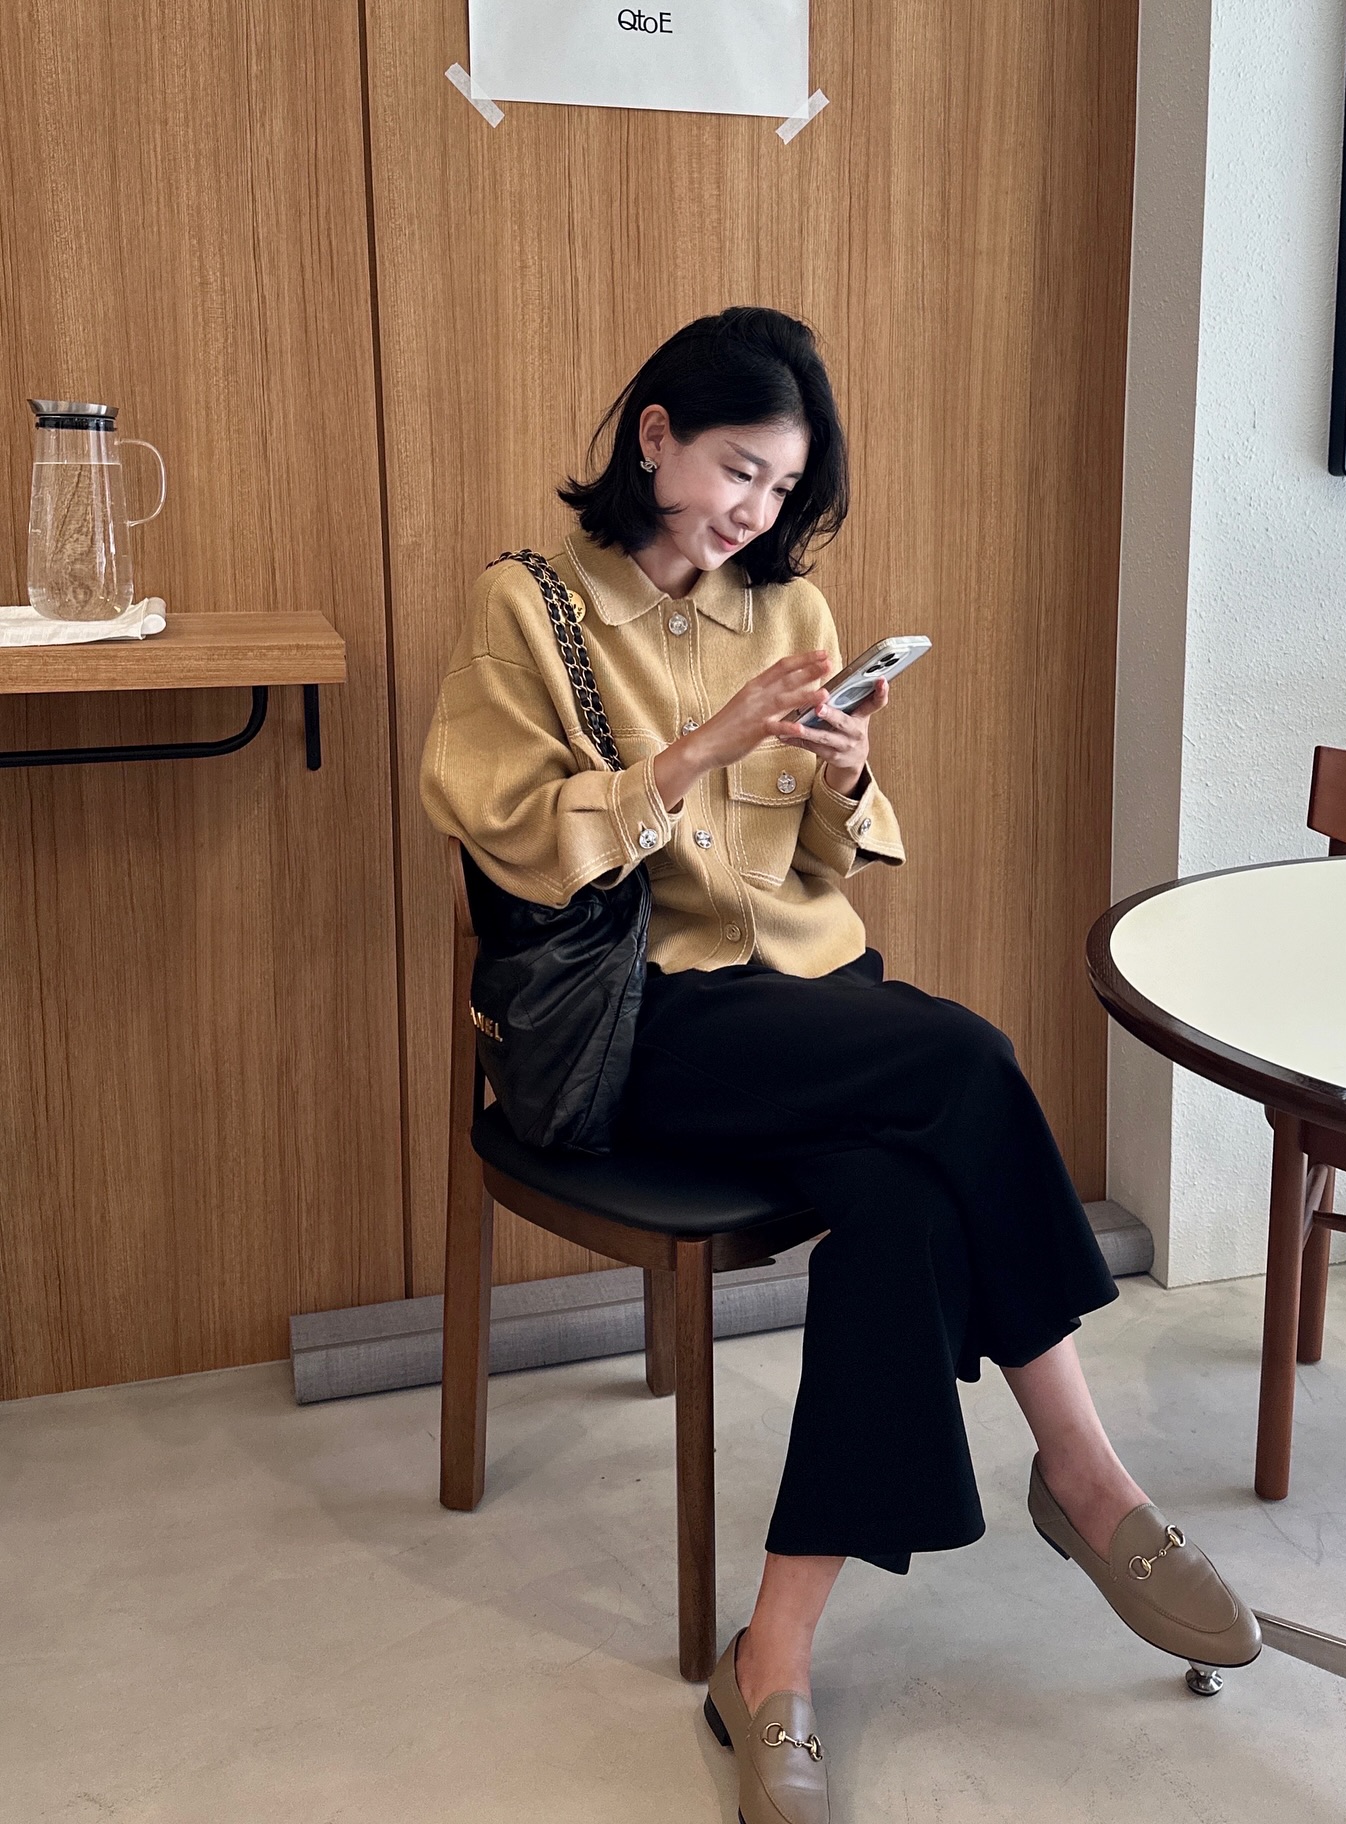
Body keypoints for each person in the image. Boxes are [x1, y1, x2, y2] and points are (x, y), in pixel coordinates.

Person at [420, 307, 1259, 1824]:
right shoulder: (530, 610)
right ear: (656, 435)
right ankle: (1087, 1476)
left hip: (810, 1003)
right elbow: (514, 842)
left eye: (784, 490)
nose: (756, 512)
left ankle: (775, 1654)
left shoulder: (791, 611)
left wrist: (846, 772)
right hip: (649, 1022)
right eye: (739, 471)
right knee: (969, 1060)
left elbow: (825, 869)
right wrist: (695, 748)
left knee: (904, 1208)